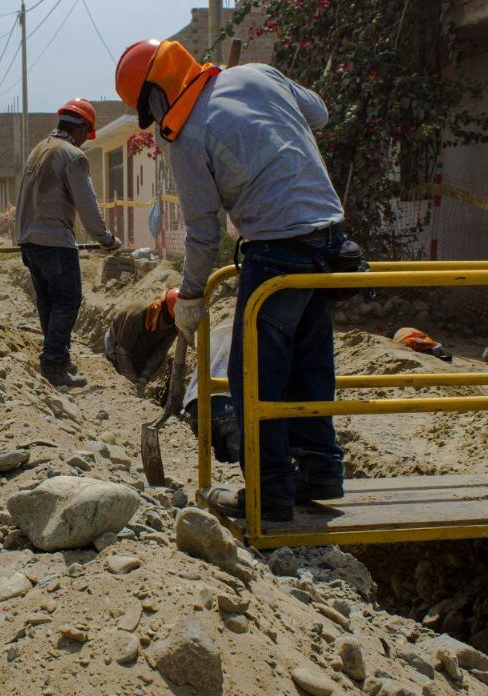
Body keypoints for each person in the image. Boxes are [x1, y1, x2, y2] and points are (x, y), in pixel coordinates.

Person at [115, 39, 348, 521]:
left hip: (279, 250)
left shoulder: (185, 134)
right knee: (309, 363)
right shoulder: (258, 75)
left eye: (148, 108)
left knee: (253, 375)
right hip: (331, 243)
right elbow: (319, 113)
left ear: (156, 92)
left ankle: (269, 495)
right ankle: (321, 471)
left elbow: (203, 233)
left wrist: (193, 297)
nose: (155, 120)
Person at [14, 97, 121, 388]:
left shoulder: (38, 150)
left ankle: (57, 358)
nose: (86, 141)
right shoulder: (72, 155)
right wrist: (106, 239)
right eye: (87, 135)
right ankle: (52, 364)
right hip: (55, 242)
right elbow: (87, 205)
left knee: (49, 302)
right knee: (68, 300)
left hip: (29, 241)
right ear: (83, 129)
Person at [182, 318, 241, 465]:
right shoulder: (255, 323)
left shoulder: (218, 328)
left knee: (220, 465)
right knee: (242, 469)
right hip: (232, 407)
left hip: (197, 406)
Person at [104, 288, 178, 394]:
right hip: (117, 349)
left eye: (170, 325)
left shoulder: (173, 326)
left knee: (139, 373)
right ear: (160, 310)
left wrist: (144, 377)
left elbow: (160, 352)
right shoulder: (136, 316)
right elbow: (122, 351)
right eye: (165, 323)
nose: (165, 328)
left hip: (140, 351)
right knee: (119, 380)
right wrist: (132, 382)